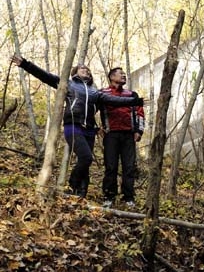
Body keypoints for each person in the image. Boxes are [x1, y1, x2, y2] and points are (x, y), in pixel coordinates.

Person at [11, 55, 143, 198]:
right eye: (82, 68)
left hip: (90, 130)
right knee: (86, 158)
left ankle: (81, 194)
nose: (86, 70)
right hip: (73, 126)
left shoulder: (95, 92)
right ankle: (72, 183)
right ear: (74, 72)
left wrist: (136, 101)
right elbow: (45, 76)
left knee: (84, 162)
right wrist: (25, 64)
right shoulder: (68, 84)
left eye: (87, 69)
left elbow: (114, 100)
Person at [100, 67, 145, 208]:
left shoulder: (132, 94)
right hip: (111, 134)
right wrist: (96, 127)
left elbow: (140, 113)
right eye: (121, 74)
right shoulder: (102, 93)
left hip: (129, 135)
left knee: (129, 167)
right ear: (112, 77)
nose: (124, 76)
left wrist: (139, 131)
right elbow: (91, 109)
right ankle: (109, 196)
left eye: (125, 74)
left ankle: (128, 197)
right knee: (111, 166)